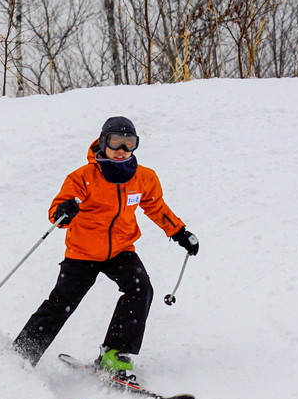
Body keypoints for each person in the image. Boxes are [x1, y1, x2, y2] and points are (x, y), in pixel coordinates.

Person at [12, 116, 198, 382]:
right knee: (61, 303)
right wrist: (64, 211)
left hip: (121, 250)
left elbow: (156, 207)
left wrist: (179, 232)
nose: (121, 150)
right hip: (82, 252)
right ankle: (21, 355)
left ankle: (114, 354)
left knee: (140, 288)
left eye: (129, 143)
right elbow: (56, 212)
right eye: (115, 143)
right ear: (103, 142)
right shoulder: (82, 177)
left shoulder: (144, 177)